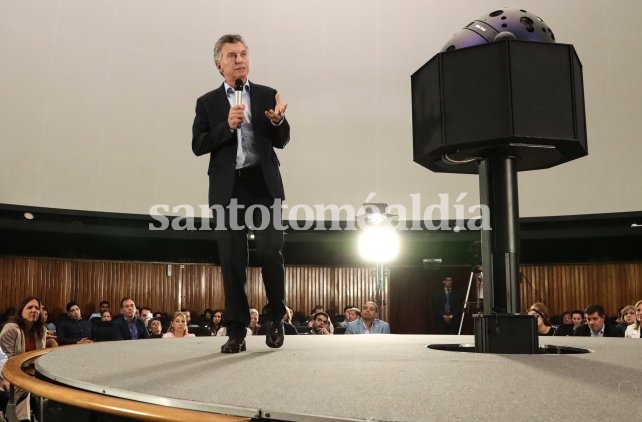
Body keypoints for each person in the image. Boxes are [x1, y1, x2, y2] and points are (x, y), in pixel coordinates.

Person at [192, 34, 290, 354]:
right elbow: (198, 145)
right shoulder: (207, 103)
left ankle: (274, 317)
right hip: (228, 189)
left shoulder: (265, 94)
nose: (240, 60)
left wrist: (278, 122)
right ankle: (236, 330)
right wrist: (226, 126)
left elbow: (282, 139)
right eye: (232, 55)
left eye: (244, 54)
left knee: (270, 252)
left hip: (262, 185)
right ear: (219, 65)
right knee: (232, 260)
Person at [0, 296, 47, 421]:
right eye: (30, 307)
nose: (34, 310)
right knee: (26, 388)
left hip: (32, 373)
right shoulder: (11, 328)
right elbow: (6, 359)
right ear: (21, 310)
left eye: (37, 308)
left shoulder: (41, 330)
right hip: (12, 373)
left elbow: (40, 357)